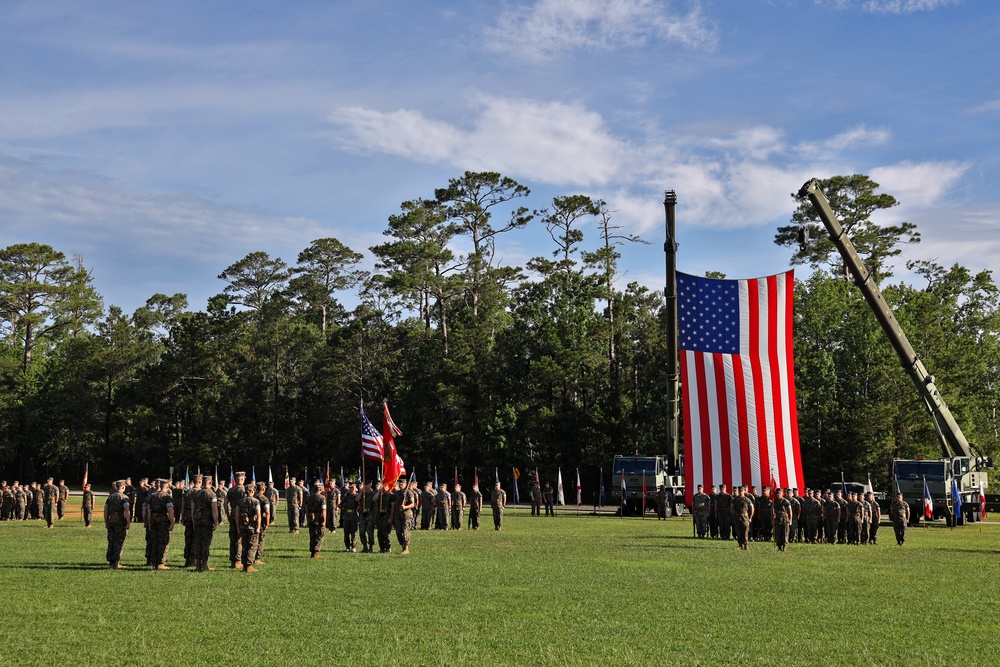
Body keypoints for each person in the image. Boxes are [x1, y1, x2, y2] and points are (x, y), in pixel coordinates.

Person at [190, 475, 220, 572]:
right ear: (210, 483)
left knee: (198, 543)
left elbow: (192, 509)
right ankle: (204, 565)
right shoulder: (212, 494)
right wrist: (216, 522)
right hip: (207, 521)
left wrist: (194, 521)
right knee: (206, 543)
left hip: (198, 520)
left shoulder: (196, 494)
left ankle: (197, 565)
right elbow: (214, 510)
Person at [145, 479, 175, 570]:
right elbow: (170, 511)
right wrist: (172, 523)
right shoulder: (167, 497)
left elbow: (149, 511)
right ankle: (160, 563)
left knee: (154, 542)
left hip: (154, 521)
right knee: (163, 542)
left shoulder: (152, 496)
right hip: (163, 522)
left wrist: (149, 523)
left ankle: (154, 563)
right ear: (167, 487)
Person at [234, 484, 262, 572]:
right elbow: (258, 515)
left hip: (243, 526)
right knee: (252, 546)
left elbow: (237, 515)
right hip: (252, 527)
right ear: (252, 491)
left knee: (244, 546)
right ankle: (249, 565)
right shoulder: (256, 501)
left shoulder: (240, 501)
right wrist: (258, 527)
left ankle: (244, 565)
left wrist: (238, 527)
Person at [104, 480, 131, 569]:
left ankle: (111, 562)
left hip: (111, 521)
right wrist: (128, 522)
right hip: (120, 522)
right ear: (123, 487)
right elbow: (126, 510)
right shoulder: (124, 498)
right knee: (119, 542)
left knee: (111, 541)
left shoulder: (110, 497)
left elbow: (106, 510)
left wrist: (106, 522)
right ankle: (116, 562)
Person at [226, 472, 248, 568]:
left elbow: (225, 504)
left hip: (233, 515)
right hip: (242, 516)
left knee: (232, 539)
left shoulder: (230, 490)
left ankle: (232, 560)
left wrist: (227, 515)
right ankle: (238, 560)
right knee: (240, 538)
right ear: (242, 479)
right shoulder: (244, 490)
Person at [392, 478, 417, 554]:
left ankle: (406, 548)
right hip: (398, 515)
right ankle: (403, 546)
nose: (400, 485)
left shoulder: (409, 493)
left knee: (405, 531)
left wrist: (405, 507)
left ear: (406, 484)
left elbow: (413, 504)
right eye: (399, 484)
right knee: (398, 532)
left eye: (402, 484)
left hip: (407, 515)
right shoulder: (397, 493)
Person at [305, 481, 327, 558]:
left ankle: (312, 552)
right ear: (320, 489)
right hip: (318, 518)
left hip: (311, 518)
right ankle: (316, 552)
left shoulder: (309, 498)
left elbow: (307, 510)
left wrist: (307, 520)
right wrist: (324, 520)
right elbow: (323, 510)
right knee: (319, 535)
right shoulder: (322, 498)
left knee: (312, 535)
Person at [341, 480, 359, 552]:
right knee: (346, 532)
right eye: (350, 487)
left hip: (354, 515)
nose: (351, 489)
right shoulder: (347, 496)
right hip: (346, 516)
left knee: (354, 532)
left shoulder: (357, 496)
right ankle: (347, 547)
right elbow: (340, 504)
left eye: (353, 487)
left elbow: (359, 504)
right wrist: (343, 508)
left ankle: (353, 547)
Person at [358, 480, 375, 553]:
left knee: (370, 531)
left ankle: (371, 546)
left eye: (367, 484)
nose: (366, 486)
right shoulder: (362, 494)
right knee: (362, 531)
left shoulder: (373, 494)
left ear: (370, 485)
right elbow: (357, 499)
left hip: (370, 514)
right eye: (365, 484)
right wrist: (361, 492)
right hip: (363, 514)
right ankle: (365, 546)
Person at [772, 488, 791, 552]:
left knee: (785, 533)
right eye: (777, 493)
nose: (778, 495)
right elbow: (772, 512)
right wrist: (772, 520)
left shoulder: (786, 501)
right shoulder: (775, 502)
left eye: (779, 493)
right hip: (777, 519)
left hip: (785, 519)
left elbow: (790, 511)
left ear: (782, 493)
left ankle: (784, 546)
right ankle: (779, 546)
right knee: (778, 533)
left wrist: (790, 520)